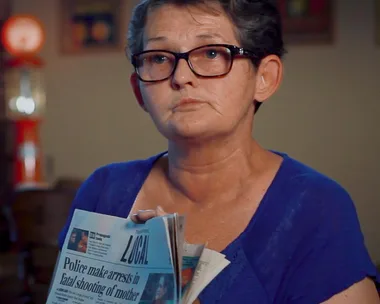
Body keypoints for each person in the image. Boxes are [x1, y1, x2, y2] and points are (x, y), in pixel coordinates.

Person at [57, 0, 380, 303]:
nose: (181, 77)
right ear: (138, 91)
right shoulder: (103, 192)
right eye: (158, 58)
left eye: (211, 53)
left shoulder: (316, 208)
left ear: (264, 77)